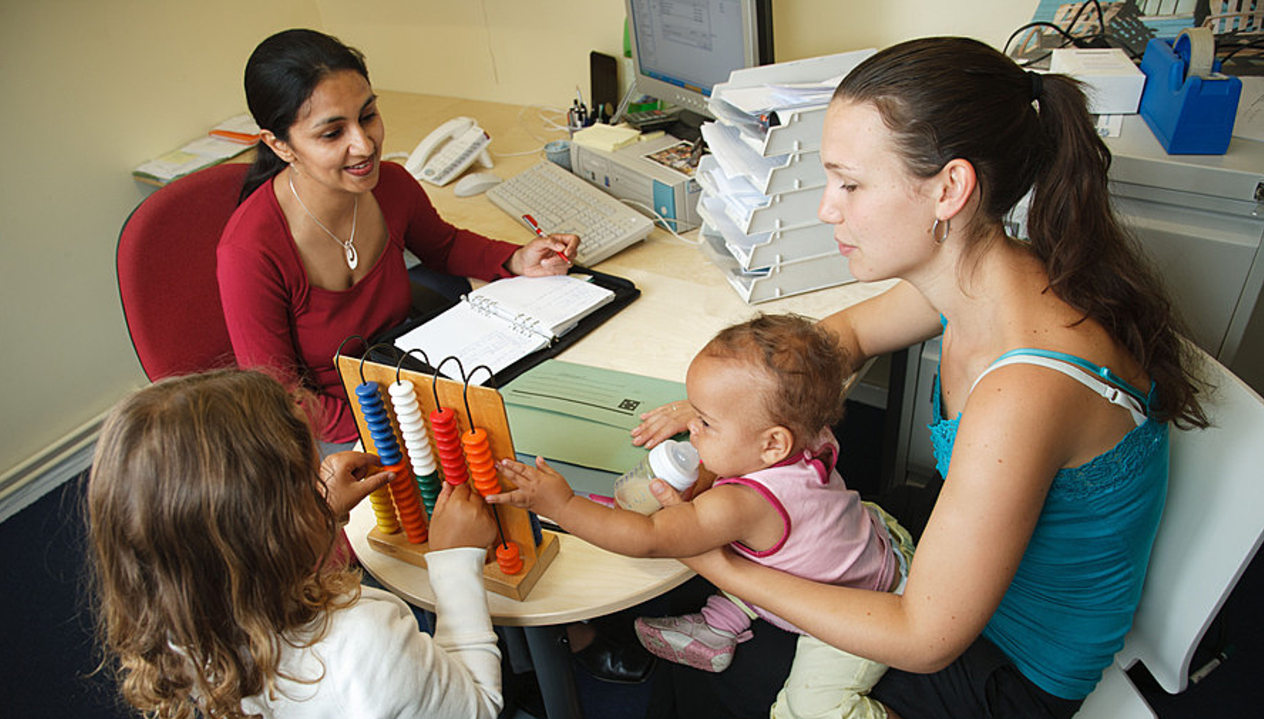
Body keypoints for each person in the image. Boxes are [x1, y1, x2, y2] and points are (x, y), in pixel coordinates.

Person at [639, 37, 1209, 719]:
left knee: (723, 660)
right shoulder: (978, 275)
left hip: (1006, 665)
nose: (829, 208)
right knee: (713, 578)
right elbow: (836, 340)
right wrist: (733, 409)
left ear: (949, 189)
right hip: (954, 567)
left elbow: (924, 637)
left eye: (849, 183)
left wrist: (728, 568)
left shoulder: (1023, 390)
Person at [493, 314, 913, 717]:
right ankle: (721, 624)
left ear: (771, 445)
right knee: (755, 553)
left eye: (706, 422)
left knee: (807, 709)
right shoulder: (812, 434)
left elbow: (650, 537)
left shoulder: (740, 505)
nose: (690, 427)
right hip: (872, 538)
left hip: (862, 606)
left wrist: (562, 505)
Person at [218, 29, 578, 449]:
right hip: (338, 430)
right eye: (333, 133)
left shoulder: (391, 185)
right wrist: (401, 421)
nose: (365, 144)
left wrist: (518, 259)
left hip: (413, 381)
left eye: (367, 115)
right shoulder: (249, 253)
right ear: (279, 145)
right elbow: (285, 401)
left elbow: (443, 246)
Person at [86, 369, 503, 719]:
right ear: (275, 528)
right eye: (308, 484)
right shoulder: (365, 640)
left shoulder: (184, 627)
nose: (319, 487)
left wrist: (319, 511)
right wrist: (453, 562)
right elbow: (478, 706)